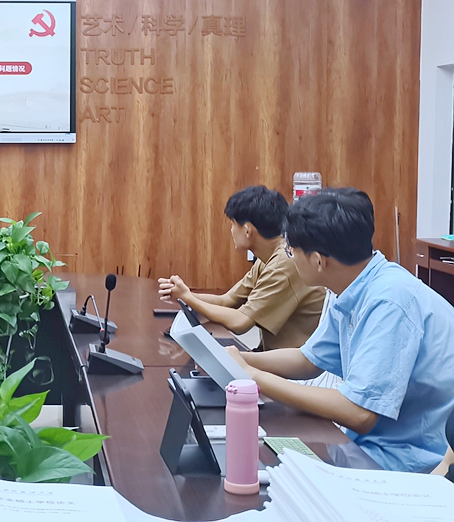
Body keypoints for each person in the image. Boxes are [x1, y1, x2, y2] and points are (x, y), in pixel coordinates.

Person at [227, 188, 454, 473]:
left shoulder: (390, 301)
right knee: (271, 459)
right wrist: (241, 360)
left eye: (291, 251)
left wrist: (254, 377)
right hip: (366, 446)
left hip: (406, 462)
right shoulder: (353, 284)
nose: (290, 258)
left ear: (318, 260)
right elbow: (309, 360)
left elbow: (359, 413)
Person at [159, 186, 325, 350]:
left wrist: (188, 297)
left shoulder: (284, 264)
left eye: (233, 224)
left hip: (296, 365)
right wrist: (182, 294)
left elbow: (240, 322)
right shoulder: (268, 258)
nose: (231, 230)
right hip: (275, 356)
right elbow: (226, 301)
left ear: (247, 230)